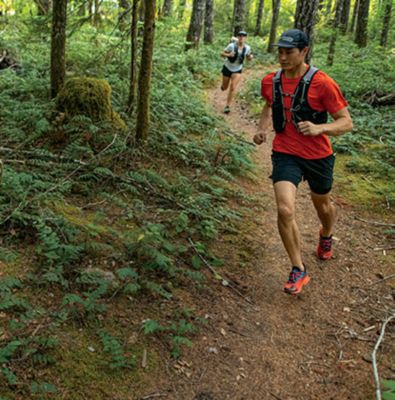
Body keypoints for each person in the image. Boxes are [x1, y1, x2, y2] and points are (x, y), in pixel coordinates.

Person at [253, 29, 353, 295]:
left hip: (318, 156)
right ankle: (298, 268)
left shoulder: (323, 83)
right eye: (280, 52)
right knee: (285, 209)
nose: (283, 57)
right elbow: (267, 104)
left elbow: (346, 122)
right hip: (285, 152)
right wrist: (263, 128)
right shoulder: (270, 81)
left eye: (289, 52)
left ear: (304, 51)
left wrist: (321, 129)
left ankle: (326, 233)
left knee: (323, 205)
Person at [220, 31, 253, 114]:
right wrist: (228, 55)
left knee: (233, 87)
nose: (242, 37)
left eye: (244, 36)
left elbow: (248, 57)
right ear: (237, 37)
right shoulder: (231, 46)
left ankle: (227, 106)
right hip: (227, 68)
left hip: (238, 69)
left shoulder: (248, 48)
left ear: (246, 38)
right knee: (225, 87)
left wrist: (250, 57)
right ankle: (223, 86)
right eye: (240, 36)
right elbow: (222, 54)